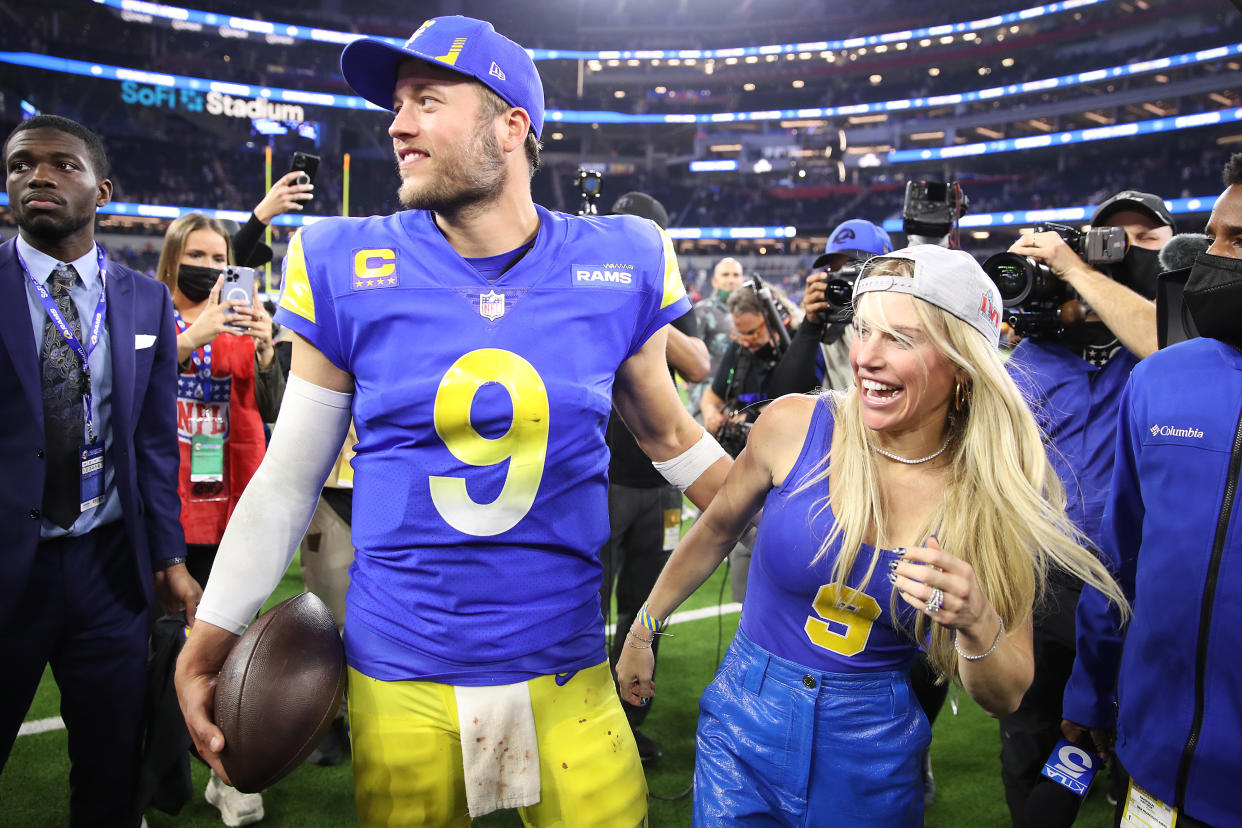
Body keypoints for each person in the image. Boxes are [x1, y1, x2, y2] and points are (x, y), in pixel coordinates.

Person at [175, 15, 731, 827]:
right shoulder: (342, 262)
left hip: (567, 665)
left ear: (512, 127)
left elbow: (669, 436)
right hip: (400, 667)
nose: (397, 124)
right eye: (397, 106)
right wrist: (210, 635)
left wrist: (793, 514)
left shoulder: (620, 259)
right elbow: (292, 475)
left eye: (427, 101)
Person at [616, 245, 1128, 826]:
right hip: (742, 719)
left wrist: (975, 619)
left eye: (900, 339)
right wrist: (642, 630)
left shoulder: (991, 491)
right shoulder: (794, 424)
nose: (865, 358)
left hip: (874, 745)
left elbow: (1005, 695)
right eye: (863, 330)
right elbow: (713, 529)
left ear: (962, 362)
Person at [0, 114, 200, 826]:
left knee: (111, 771)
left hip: (108, 571)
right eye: (22, 165)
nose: (39, 176)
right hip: (7, 568)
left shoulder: (143, 299)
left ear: (102, 189)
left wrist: (171, 556)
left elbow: (151, 445)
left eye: (62, 165)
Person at [1061, 155, 1242, 828]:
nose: (1210, 257)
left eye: (1239, 242)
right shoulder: (1162, 379)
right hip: (1154, 763)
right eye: (1214, 235)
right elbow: (1120, 560)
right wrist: (1089, 694)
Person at [999, 189, 1173, 826]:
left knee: (1140, 740)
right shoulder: (1034, 355)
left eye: (1145, 240)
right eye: (1111, 240)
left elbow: (1161, 340)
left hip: (1141, 583)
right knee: (1032, 734)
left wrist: (1078, 270)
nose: (1125, 252)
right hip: (1043, 577)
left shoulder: (1177, 342)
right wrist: (1007, 298)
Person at [154, 212, 284, 827]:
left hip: (235, 504)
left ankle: (224, 771)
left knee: (233, 645)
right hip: (170, 505)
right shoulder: (148, 318)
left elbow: (277, 407)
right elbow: (129, 391)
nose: (208, 267)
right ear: (174, 257)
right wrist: (189, 336)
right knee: (159, 650)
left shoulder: (243, 322)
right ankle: (154, 774)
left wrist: (265, 352)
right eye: (196, 255)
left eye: (218, 257)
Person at [600, 190, 710, 766]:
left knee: (645, 606)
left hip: (662, 480)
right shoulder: (589, 282)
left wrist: (640, 303)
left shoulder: (664, 292)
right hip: (602, 477)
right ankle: (583, 718)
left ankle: (628, 720)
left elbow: (699, 363)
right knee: (587, 605)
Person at [769, 219, 893, 396]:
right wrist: (811, 325)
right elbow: (785, 396)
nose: (844, 280)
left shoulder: (910, 322)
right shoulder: (828, 331)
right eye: (836, 270)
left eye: (853, 267)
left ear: (887, 270)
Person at [689, 255, 744, 421]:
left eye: (735, 275)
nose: (731, 280)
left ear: (742, 279)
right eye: (725, 275)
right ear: (714, 281)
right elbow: (691, 354)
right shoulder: (702, 311)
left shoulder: (750, 312)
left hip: (739, 399)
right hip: (706, 400)